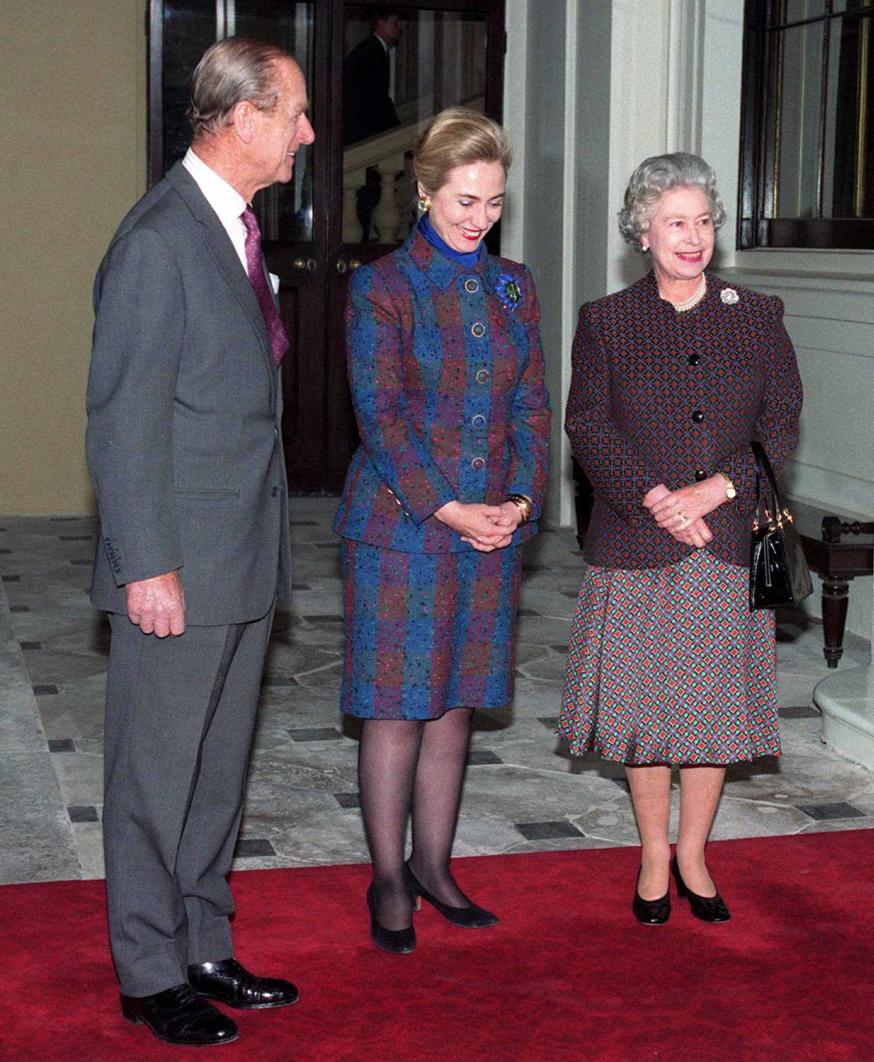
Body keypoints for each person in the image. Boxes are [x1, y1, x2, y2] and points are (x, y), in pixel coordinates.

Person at [85, 37, 314, 1046]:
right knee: (154, 772)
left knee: (217, 769)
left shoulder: (232, 230)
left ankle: (203, 942)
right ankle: (147, 970)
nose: (309, 133)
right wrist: (148, 565)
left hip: (240, 551)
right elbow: (122, 418)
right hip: (178, 560)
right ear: (243, 119)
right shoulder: (157, 239)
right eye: (296, 113)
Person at [559, 153, 802, 926]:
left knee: (707, 714)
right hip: (637, 542)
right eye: (674, 223)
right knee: (644, 713)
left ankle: (694, 853)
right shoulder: (606, 320)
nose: (691, 237)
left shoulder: (758, 314)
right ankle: (652, 854)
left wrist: (719, 488)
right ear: (643, 231)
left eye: (702, 221)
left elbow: (782, 423)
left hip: (726, 537)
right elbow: (586, 423)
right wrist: (658, 498)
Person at [335, 107, 550, 953]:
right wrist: (451, 507)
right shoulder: (381, 286)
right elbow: (379, 418)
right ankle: (387, 877)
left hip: (491, 526)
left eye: (493, 203)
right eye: (464, 200)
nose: (479, 218)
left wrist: (521, 505)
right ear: (424, 191)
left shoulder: (514, 286)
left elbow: (533, 406)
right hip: (400, 528)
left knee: (456, 703)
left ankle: (435, 865)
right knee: (396, 708)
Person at [343, 10, 402, 240]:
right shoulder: (371, 52)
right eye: (395, 21)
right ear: (379, 22)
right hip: (363, 136)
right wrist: (392, 129)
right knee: (365, 197)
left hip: (364, 133)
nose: (399, 28)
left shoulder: (374, 51)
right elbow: (374, 100)